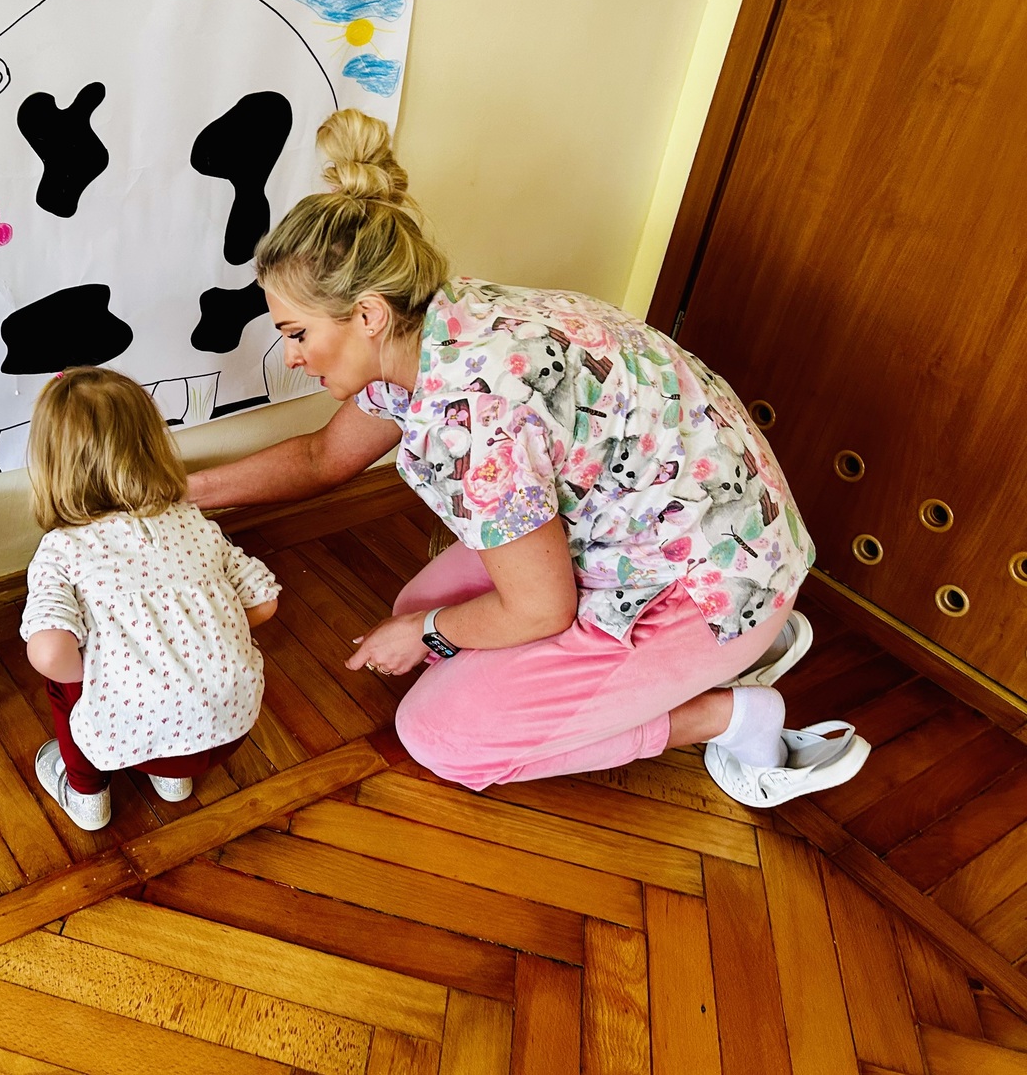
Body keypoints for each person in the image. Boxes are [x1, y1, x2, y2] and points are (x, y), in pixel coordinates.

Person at [188, 109, 869, 807]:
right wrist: (182, 491)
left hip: (710, 583)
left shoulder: (478, 422)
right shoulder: (437, 321)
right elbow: (322, 457)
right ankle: (707, 658)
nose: (291, 356)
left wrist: (426, 634)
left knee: (440, 735)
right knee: (420, 608)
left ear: (367, 315)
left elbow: (541, 609)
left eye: (296, 333)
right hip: (681, 520)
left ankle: (729, 713)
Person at [21, 367, 282, 831]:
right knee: (172, 683)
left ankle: (87, 796)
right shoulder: (192, 522)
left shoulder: (62, 549)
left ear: (50, 467)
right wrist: (205, 636)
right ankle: (172, 780)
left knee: (65, 686)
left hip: (133, 731)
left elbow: (47, 652)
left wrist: (101, 672)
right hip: (232, 723)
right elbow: (264, 602)